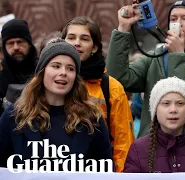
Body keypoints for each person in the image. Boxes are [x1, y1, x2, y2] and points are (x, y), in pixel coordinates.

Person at [106, 1, 185, 138]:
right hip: (150, 144)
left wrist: (177, 56)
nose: (178, 23)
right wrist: (123, 29)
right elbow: (118, 78)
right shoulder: (155, 56)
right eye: (173, 19)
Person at [0, 39, 112, 171]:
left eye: (70, 68)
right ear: (42, 71)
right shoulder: (14, 115)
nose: (63, 72)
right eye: (56, 66)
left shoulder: (91, 118)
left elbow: (104, 169)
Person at [61, 16, 134, 172]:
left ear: (94, 47)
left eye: (84, 38)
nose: (76, 43)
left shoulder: (111, 87)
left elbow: (123, 141)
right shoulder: (49, 81)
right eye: (71, 37)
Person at [124, 77, 185, 173]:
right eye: (166, 103)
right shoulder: (138, 149)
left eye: (180, 103)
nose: (173, 110)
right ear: (155, 110)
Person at [0, 19, 38, 115]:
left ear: (29, 43)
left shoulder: (42, 70)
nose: (16, 47)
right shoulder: (1, 75)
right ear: (4, 47)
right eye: (10, 43)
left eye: (20, 42)